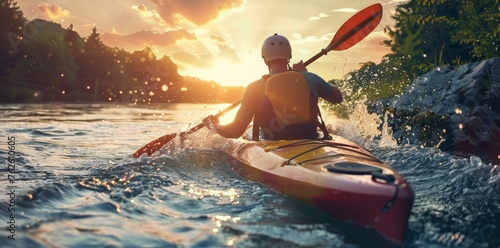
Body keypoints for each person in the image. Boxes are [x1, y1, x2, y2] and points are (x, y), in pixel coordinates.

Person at [202, 33, 343, 141]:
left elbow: (235, 131)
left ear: (264, 58)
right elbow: (338, 98)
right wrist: (305, 74)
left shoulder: (254, 87)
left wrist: (213, 125)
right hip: (312, 139)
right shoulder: (310, 78)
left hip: (273, 145)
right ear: (289, 56)